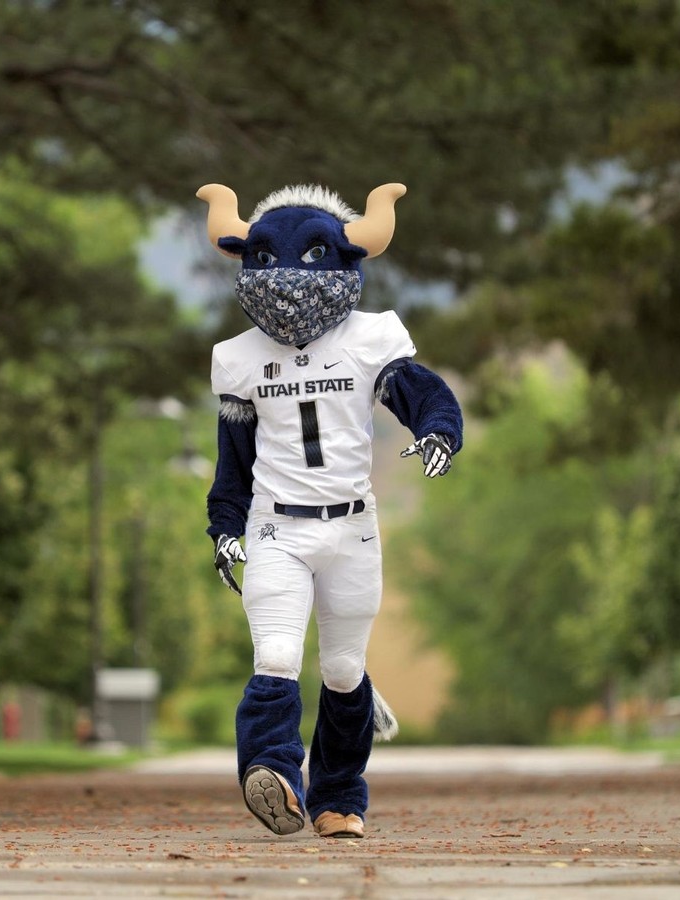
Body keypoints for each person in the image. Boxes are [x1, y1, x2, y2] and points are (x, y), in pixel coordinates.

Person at [197, 181, 463, 839]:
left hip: (352, 526)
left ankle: (339, 794)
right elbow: (233, 461)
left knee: (343, 669)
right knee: (278, 654)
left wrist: (437, 430)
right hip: (276, 526)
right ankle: (273, 771)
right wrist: (225, 528)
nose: (284, 283)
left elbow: (420, 393)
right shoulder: (238, 358)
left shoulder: (370, 338)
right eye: (264, 263)